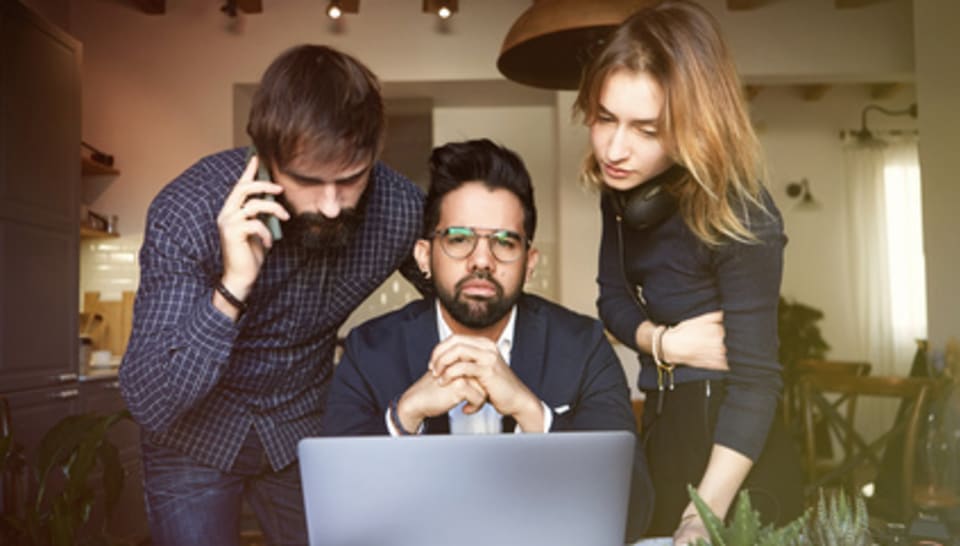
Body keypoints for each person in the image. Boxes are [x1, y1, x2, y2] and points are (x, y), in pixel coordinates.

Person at [119, 44, 426, 546]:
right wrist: (233, 284)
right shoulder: (187, 209)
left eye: (351, 179)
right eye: (308, 181)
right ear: (265, 159)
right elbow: (150, 399)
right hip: (190, 438)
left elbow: (462, 294)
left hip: (301, 432)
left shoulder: (399, 209)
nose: (331, 207)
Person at [323, 138, 653, 538]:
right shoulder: (369, 350)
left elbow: (634, 510)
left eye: (504, 242)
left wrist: (531, 411)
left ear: (529, 263)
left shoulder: (583, 346)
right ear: (425, 256)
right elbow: (337, 519)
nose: (482, 260)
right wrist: (405, 415)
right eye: (459, 238)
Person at [573, 0, 804, 543]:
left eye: (646, 129)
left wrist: (704, 514)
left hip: (731, 449)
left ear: (694, 127)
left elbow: (755, 385)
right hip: (660, 418)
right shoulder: (622, 194)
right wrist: (664, 344)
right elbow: (612, 300)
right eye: (605, 118)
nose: (614, 147)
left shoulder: (745, 216)